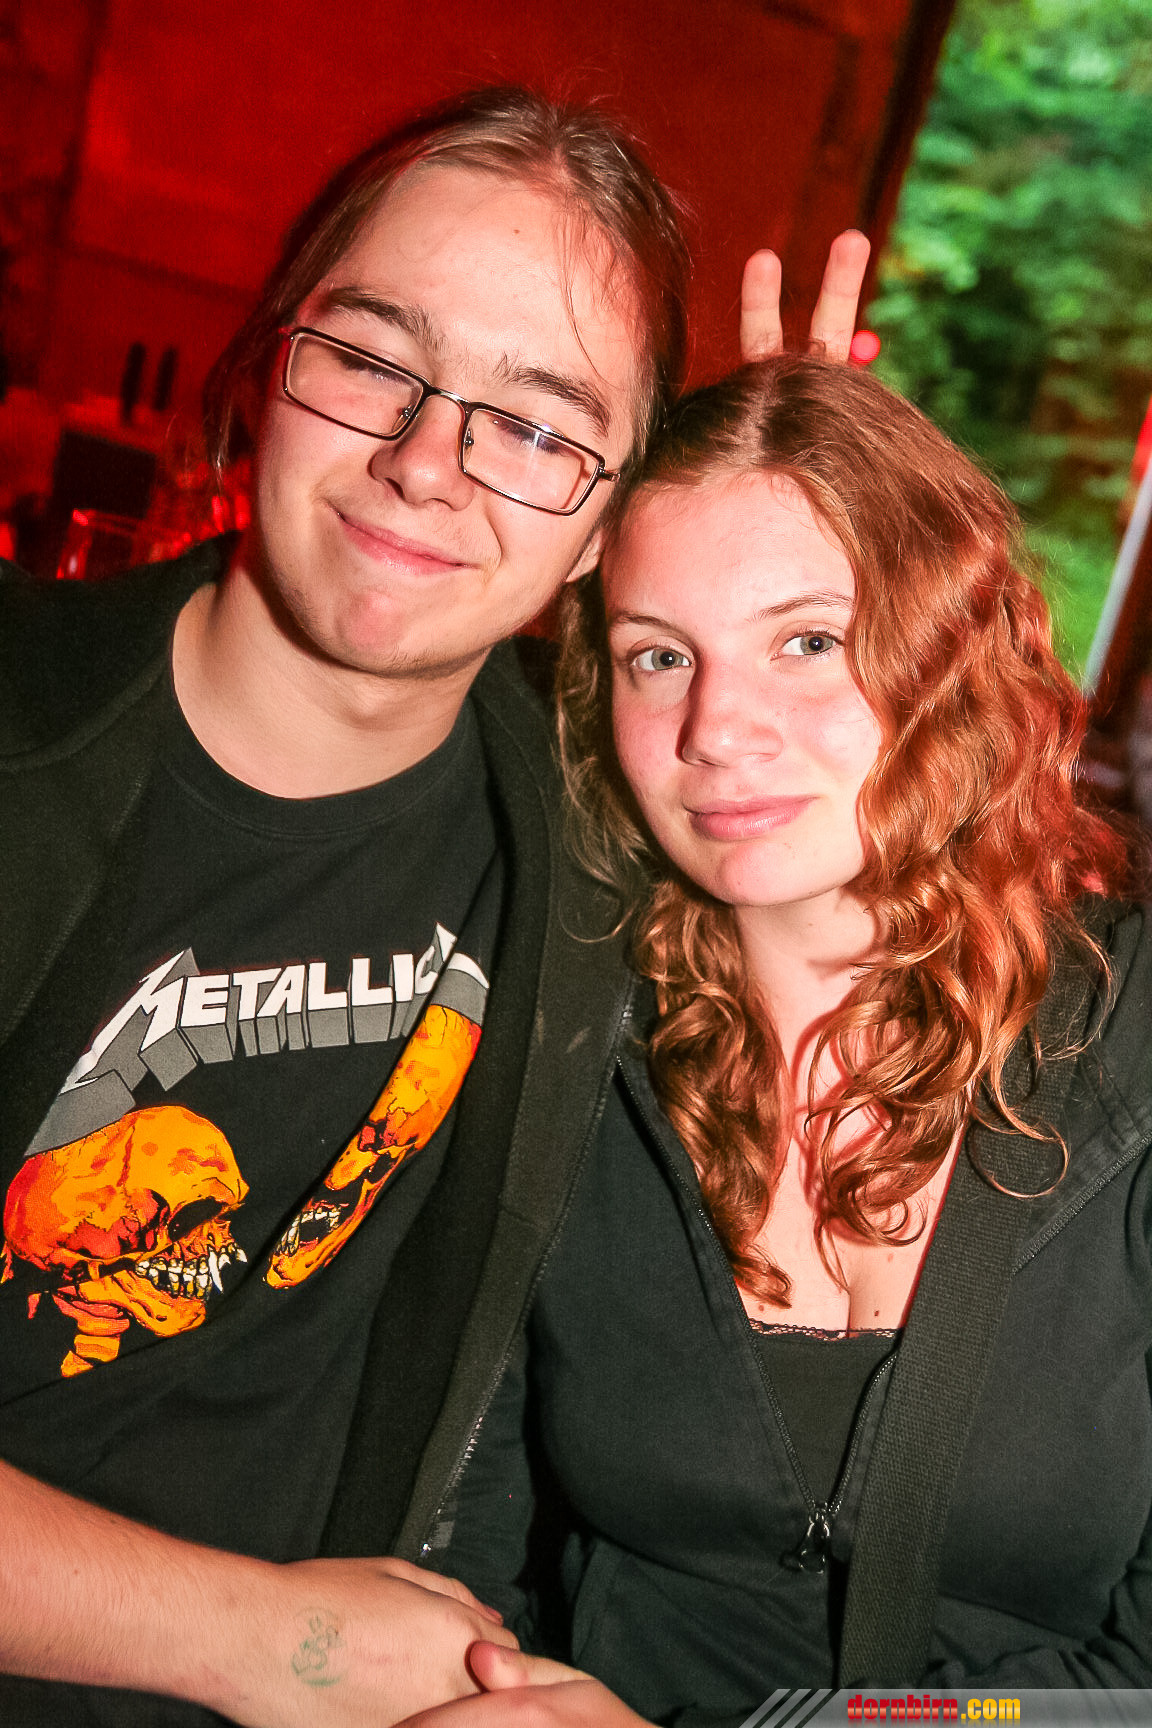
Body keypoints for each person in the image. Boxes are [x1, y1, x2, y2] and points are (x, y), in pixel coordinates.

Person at [0, 87, 867, 1727]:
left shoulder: (593, 839)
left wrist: (810, 545)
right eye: (370, 358)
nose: (422, 465)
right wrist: (270, 1643)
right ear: (265, 360)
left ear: (609, 524)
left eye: (537, 428)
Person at [409, 353, 1152, 1727]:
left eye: (807, 640)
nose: (716, 728)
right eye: (659, 655)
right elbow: (465, 1537)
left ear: (945, 647)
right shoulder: (568, 1040)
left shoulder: (1134, 1051)